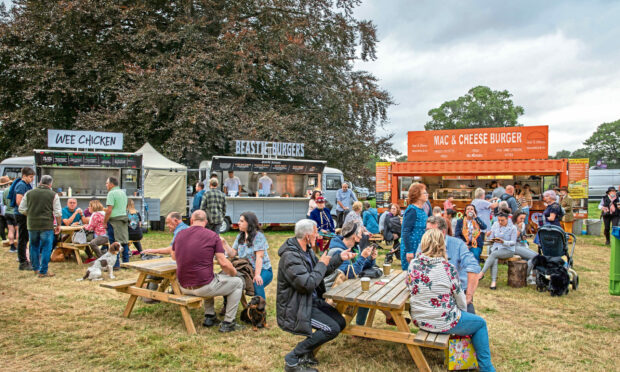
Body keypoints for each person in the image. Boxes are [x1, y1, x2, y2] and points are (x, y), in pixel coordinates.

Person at [407, 229, 495, 372]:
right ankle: (486, 367)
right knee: (480, 324)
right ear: (442, 245)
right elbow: (461, 301)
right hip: (444, 321)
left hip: (420, 319)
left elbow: (409, 286)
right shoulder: (448, 268)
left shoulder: (414, 264)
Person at [277, 219, 356, 372]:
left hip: (311, 300)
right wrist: (321, 263)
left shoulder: (306, 251)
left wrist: (340, 258)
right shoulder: (290, 257)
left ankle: (306, 354)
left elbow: (320, 273)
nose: (318, 235)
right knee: (330, 328)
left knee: (339, 322)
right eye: (315, 232)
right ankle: (293, 358)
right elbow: (307, 284)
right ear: (307, 236)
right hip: (297, 305)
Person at [173, 210, 244, 333]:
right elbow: (223, 263)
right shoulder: (212, 236)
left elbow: (174, 256)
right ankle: (228, 322)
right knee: (237, 282)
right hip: (203, 287)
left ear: (191, 220)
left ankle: (209, 317)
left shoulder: (180, 234)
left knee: (210, 276)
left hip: (183, 286)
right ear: (205, 222)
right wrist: (234, 273)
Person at [328, 220, 399, 326]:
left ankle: (370, 323)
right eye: (360, 234)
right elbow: (350, 273)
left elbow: (360, 267)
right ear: (354, 236)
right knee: (368, 293)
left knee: (369, 290)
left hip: (348, 285)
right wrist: (363, 257)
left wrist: (370, 259)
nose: (362, 237)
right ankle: (386, 318)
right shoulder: (337, 251)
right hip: (336, 291)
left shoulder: (354, 247)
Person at [425, 216, 481, 313]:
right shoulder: (424, 243)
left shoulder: (458, 244)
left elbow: (473, 267)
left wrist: (468, 296)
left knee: (473, 323)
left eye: (431, 231)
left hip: (456, 293)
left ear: (442, 232)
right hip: (432, 291)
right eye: (427, 230)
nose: (427, 234)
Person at [17, 175, 62, 278]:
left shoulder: (29, 193)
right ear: (50, 184)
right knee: (46, 247)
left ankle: (36, 268)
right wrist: (58, 225)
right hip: (47, 225)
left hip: (32, 224)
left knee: (33, 246)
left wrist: (30, 214)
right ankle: (43, 271)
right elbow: (58, 213)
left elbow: (21, 209)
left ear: (40, 182)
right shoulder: (53, 195)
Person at [221, 211, 273, 299]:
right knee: (228, 278)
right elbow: (233, 254)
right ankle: (226, 304)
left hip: (264, 269)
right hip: (246, 269)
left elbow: (259, 258)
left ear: (249, 223)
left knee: (257, 283)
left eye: (241, 221)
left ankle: (260, 310)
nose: (238, 223)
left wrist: (257, 275)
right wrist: (224, 243)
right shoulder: (240, 236)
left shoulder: (258, 236)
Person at [478, 213, 517, 290]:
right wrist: (489, 235)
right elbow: (491, 238)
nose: (500, 222)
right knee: (494, 258)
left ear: (507, 219)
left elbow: (513, 242)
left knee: (493, 254)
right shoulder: (495, 224)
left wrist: (503, 242)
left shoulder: (513, 228)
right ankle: (493, 282)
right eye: (499, 220)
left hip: (508, 250)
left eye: (502, 220)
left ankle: (481, 273)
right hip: (496, 248)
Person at [103, 176, 130, 268]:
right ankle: (126, 263)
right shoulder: (123, 193)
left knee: (114, 242)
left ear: (111, 184)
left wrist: (104, 222)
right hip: (123, 219)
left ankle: (116, 264)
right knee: (124, 241)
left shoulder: (111, 193)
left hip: (114, 221)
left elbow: (109, 210)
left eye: (107, 183)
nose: (106, 185)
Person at [400, 183, 428, 269]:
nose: (427, 194)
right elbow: (405, 232)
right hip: (412, 249)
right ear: (417, 195)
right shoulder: (412, 210)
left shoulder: (421, 209)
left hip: (420, 247)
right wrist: (409, 251)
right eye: (424, 193)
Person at [13, 167, 35, 271]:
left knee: (25, 238)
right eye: (30, 177)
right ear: (24, 176)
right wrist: (29, 210)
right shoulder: (21, 185)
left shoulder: (27, 185)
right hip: (22, 214)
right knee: (23, 238)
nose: (32, 179)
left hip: (25, 214)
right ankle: (22, 261)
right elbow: (19, 201)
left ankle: (26, 259)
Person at [512, 211, 537, 284]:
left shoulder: (521, 225)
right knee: (535, 257)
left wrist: (524, 237)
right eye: (521, 218)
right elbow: (513, 238)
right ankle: (526, 275)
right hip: (514, 246)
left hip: (521, 244)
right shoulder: (512, 225)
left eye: (524, 219)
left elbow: (520, 237)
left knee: (537, 256)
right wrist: (519, 229)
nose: (522, 220)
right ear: (516, 217)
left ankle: (534, 276)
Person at [1, 176, 17, 253]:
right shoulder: (16, 190)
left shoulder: (5, 191)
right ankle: (18, 246)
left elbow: (3, 202)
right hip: (14, 212)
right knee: (18, 230)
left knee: (10, 230)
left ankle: (12, 247)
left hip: (7, 212)